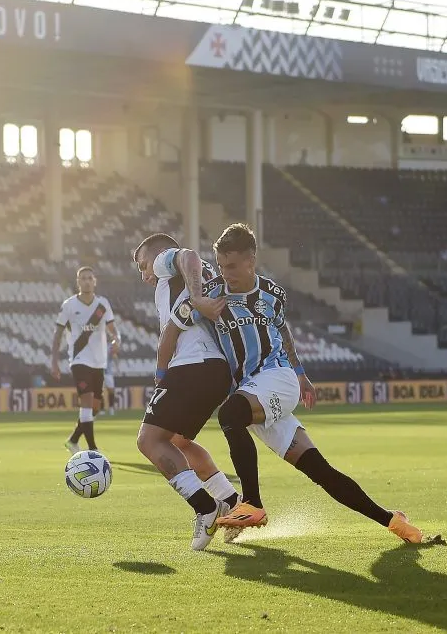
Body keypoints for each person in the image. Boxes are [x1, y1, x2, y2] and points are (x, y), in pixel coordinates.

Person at [148, 223, 428, 544]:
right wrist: (162, 373)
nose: (225, 274)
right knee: (319, 470)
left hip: (277, 378)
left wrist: (300, 372)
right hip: (252, 392)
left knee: (229, 415)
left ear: (251, 261)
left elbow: (282, 330)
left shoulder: (271, 293)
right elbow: (171, 329)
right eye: (222, 266)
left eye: (233, 266)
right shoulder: (211, 295)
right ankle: (393, 520)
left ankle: (252, 504)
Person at [132, 233, 242, 551]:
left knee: (148, 441)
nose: (144, 274)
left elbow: (188, 254)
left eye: (142, 265)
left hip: (192, 365)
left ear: (156, 254)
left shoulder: (168, 262)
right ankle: (230, 502)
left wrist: (195, 298)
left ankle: (205, 508)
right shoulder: (198, 272)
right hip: (215, 369)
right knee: (178, 442)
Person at [51, 267, 119, 454]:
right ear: (78, 282)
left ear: (94, 281)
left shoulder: (102, 304)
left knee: (95, 407)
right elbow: (57, 334)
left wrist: (117, 339)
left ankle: (73, 440)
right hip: (79, 359)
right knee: (87, 402)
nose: (87, 281)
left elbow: (113, 329)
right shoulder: (69, 305)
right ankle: (93, 450)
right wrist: (54, 361)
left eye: (90, 278)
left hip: (99, 362)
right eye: (83, 278)